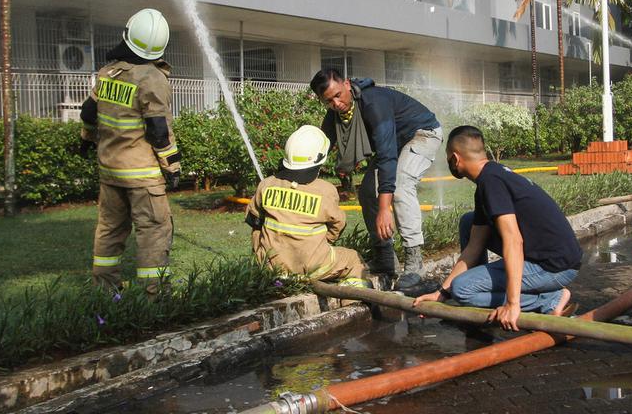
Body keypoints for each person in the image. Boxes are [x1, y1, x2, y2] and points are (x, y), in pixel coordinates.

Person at [412, 126, 582, 329]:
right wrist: (442, 293)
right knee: (469, 221)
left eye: (448, 158)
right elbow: (474, 246)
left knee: (463, 290)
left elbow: (513, 240)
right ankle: (479, 291)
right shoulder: (491, 176)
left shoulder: (491, 181)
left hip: (555, 267)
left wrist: (512, 304)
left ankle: (549, 300)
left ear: (455, 158)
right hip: (550, 256)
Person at [311, 68, 442, 294]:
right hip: (395, 143)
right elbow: (319, 148)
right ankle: (385, 259)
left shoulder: (374, 103)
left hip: (422, 133)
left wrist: (384, 208)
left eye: (338, 95)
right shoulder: (336, 114)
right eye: (328, 101)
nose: (336, 103)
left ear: (347, 85)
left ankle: (414, 263)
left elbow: (387, 155)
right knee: (367, 192)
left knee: (400, 187)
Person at [80, 8, 181, 298]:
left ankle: (105, 291)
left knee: (110, 230)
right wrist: (172, 168)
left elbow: (89, 112)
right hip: (143, 176)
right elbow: (158, 130)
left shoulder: (108, 73)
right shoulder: (152, 78)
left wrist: (86, 139)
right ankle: (156, 296)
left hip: (110, 172)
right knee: (153, 231)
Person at [244, 125, 371, 289]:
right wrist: (321, 243)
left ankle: (262, 274)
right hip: (313, 265)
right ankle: (352, 303)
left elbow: (254, 221)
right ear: (320, 159)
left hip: (271, 265)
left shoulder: (266, 184)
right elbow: (338, 225)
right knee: (353, 259)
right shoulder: (325, 190)